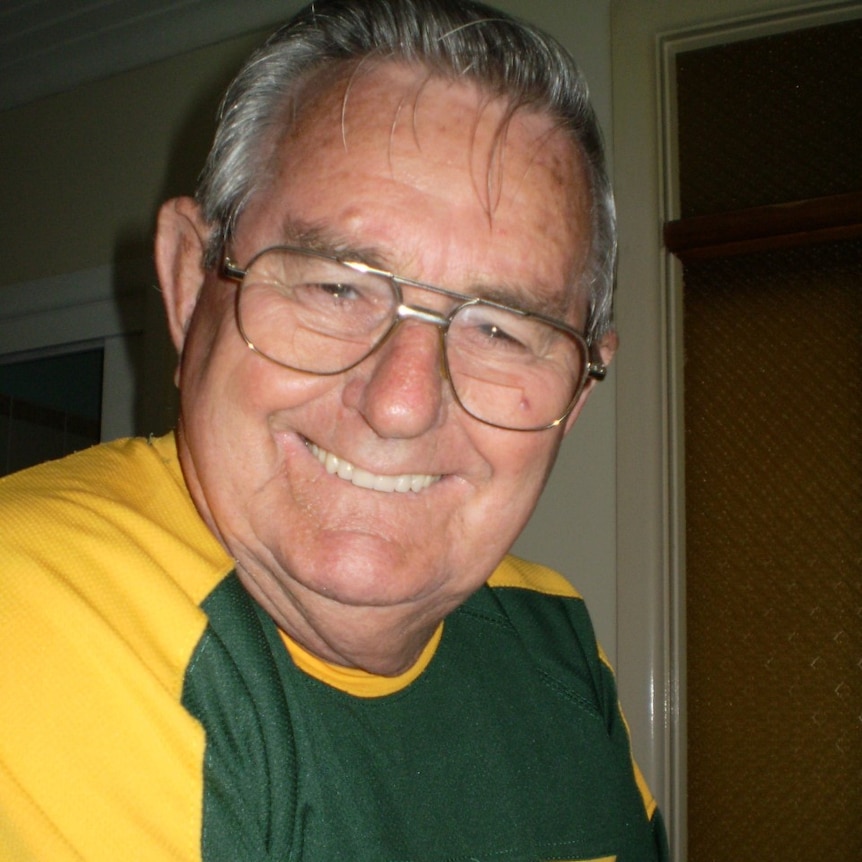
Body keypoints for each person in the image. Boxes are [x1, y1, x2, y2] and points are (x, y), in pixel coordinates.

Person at [0, 1, 669, 859]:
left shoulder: (556, 634)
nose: (401, 402)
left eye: (501, 329)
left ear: (576, 392)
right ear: (186, 284)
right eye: (335, 286)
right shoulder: (35, 616)